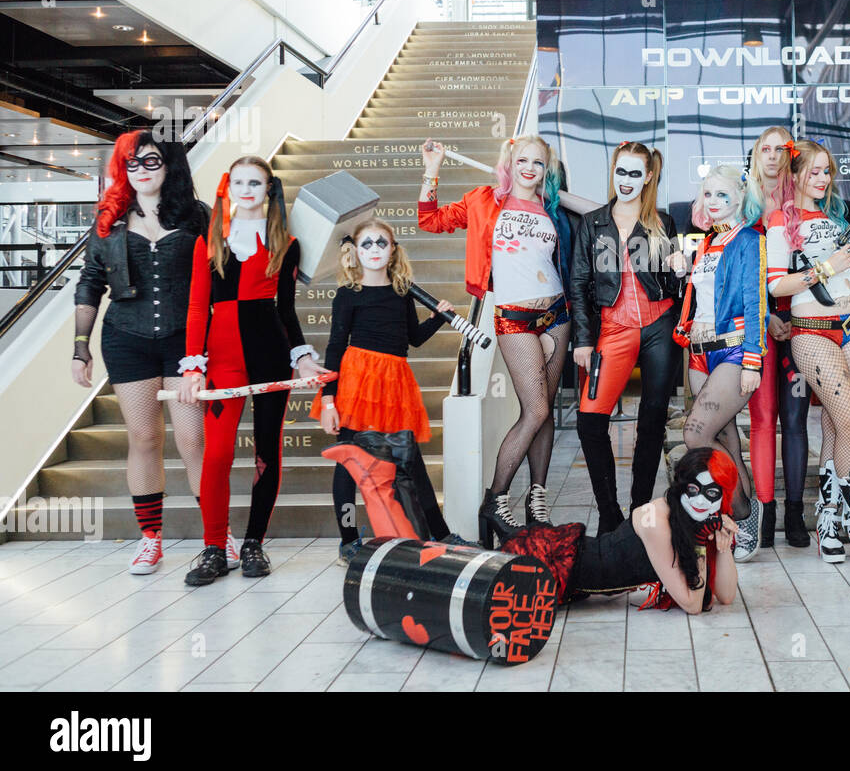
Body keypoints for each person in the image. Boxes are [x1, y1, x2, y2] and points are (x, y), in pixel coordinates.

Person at [417, 135, 596, 546]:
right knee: (533, 410)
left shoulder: (551, 209)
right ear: (509, 163)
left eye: (538, 163)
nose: (529, 168)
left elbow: (598, 213)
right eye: (522, 160)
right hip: (514, 317)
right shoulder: (484, 200)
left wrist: (555, 191)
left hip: (557, 315)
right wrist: (432, 169)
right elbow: (430, 220)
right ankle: (495, 501)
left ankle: (537, 502)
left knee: (546, 411)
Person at [178, 156, 325, 584]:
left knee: (266, 452)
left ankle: (254, 543)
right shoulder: (208, 242)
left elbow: (287, 311)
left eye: (255, 182)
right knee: (218, 453)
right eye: (239, 181)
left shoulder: (286, 243)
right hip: (222, 360)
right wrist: (192, 366)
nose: (246, 189)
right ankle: (212, 547)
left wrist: (302, 356)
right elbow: (195, 308)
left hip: (269, 355)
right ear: (228, 188)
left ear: (269, 189)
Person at [72, 130, 212, 574]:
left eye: (151, 161)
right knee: (145, 438)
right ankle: (151, 540)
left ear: (169, 166)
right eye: (132, 163)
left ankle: (216, 536)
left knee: (192, 439)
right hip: (126, 340)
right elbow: (91, 284)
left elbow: (224, 273)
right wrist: (81, 348)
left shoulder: (197, 217)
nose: (141, 171)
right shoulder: (109, 223)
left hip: (184, 342)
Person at [311, 219, 463, 562]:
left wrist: (439, 317)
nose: (375, 249)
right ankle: (349, 539)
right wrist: (328, 399)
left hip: (394, 381)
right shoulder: (348, 295)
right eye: (367, 244)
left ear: (393, 250)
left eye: (382, 243)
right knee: (350, 460)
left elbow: (413, 339)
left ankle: (439, 532)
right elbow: (335, 347)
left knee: (410, 461)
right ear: (356, 251)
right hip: (357, 379)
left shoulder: (401, 292)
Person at [765, 139, 850, 566]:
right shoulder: (780, 220)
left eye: (827, 171)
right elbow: (778, 285)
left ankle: (829, 518)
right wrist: (827, 268)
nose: (822, 179)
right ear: (793, 175)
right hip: (812, 329)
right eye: (813, 171)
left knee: (837, 424)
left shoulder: (836, 217)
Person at [570, 142, 683, 534]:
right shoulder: (593, 223)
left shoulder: (660, 222)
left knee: (652, 421)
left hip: (659, 328)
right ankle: (609, 514)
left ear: (648, 177)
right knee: (589, 420)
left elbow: (668, 284)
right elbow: (580, 283)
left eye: (636, 173)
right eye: (622, 172)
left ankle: (638, 510)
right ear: (613, 172)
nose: (627, 181)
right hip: (612, 328)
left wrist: (678, 269)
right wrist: (583, 340)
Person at [501, 447, 739, 614]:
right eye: (693, 489)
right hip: (549, 560)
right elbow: (693, 605)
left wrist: (723, 544)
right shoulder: (657, 520)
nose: (700, 501)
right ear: (680, 487)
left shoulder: (693, 519)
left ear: (723, 498)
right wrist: (699, 540)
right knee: (479, 575)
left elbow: (726, 596)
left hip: (570, 574)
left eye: (711, 494)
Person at [670, 163, 766, 561]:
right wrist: (684, 273)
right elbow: (704, 301)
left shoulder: (748, 240)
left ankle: (742, 515)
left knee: (695, 434)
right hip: (698, 352)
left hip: (732, 350)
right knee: (725, 440)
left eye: (722, 195)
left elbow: (754, 300)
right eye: (707, 194)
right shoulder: (707, 243)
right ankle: (735, 514)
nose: (713, 202)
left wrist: (752, 361)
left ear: (741, 200)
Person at [741, 127, 811, 548]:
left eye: (779, 150)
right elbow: (740, 270)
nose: (771, 157)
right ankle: (764, 513)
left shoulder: (804, 203)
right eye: (764, 149)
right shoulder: (743, 204)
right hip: (759, 325)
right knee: (763, 420)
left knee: (797, 420)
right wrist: (765, 318)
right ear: (756, 155)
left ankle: (796, 513)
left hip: (801, 320)